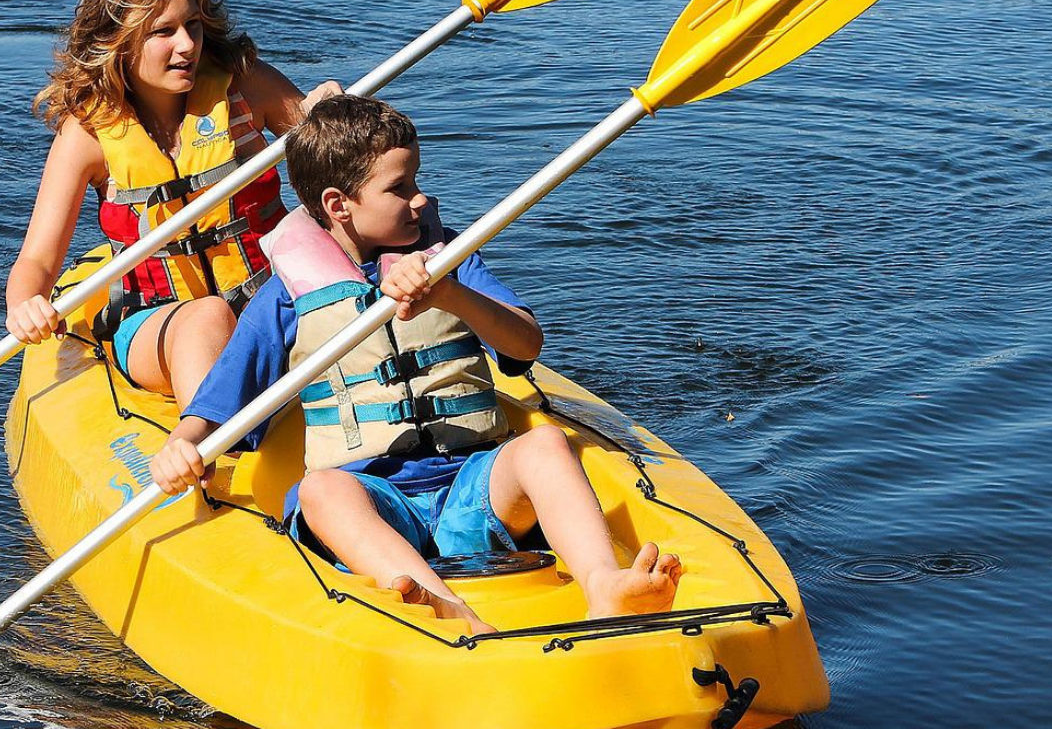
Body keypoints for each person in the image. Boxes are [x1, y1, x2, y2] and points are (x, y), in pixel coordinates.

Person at [149, 95, 683, 633]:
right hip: (374, 499)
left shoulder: (450, 257)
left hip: (473, 485)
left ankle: (603, 584)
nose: (420, 199)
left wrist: (451, 295)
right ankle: (449, 612)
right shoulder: (285, 295)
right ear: (339, 205)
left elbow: (525, 345)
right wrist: (182, 443)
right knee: (320, 492)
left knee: (544, 445)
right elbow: (223, 399)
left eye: (416, 180)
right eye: (399, 188)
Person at [6, 0, 338, 408]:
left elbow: (337, 167)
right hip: (158, 320)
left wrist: (330, 116)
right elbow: (38, 261)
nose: (187, 44)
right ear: (118, 43)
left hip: (270, 299)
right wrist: (25, 306)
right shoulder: (87, 136)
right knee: (207, 317)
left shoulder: (244, 85)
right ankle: (209, 450)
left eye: (193, 25)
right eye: (164, 31)